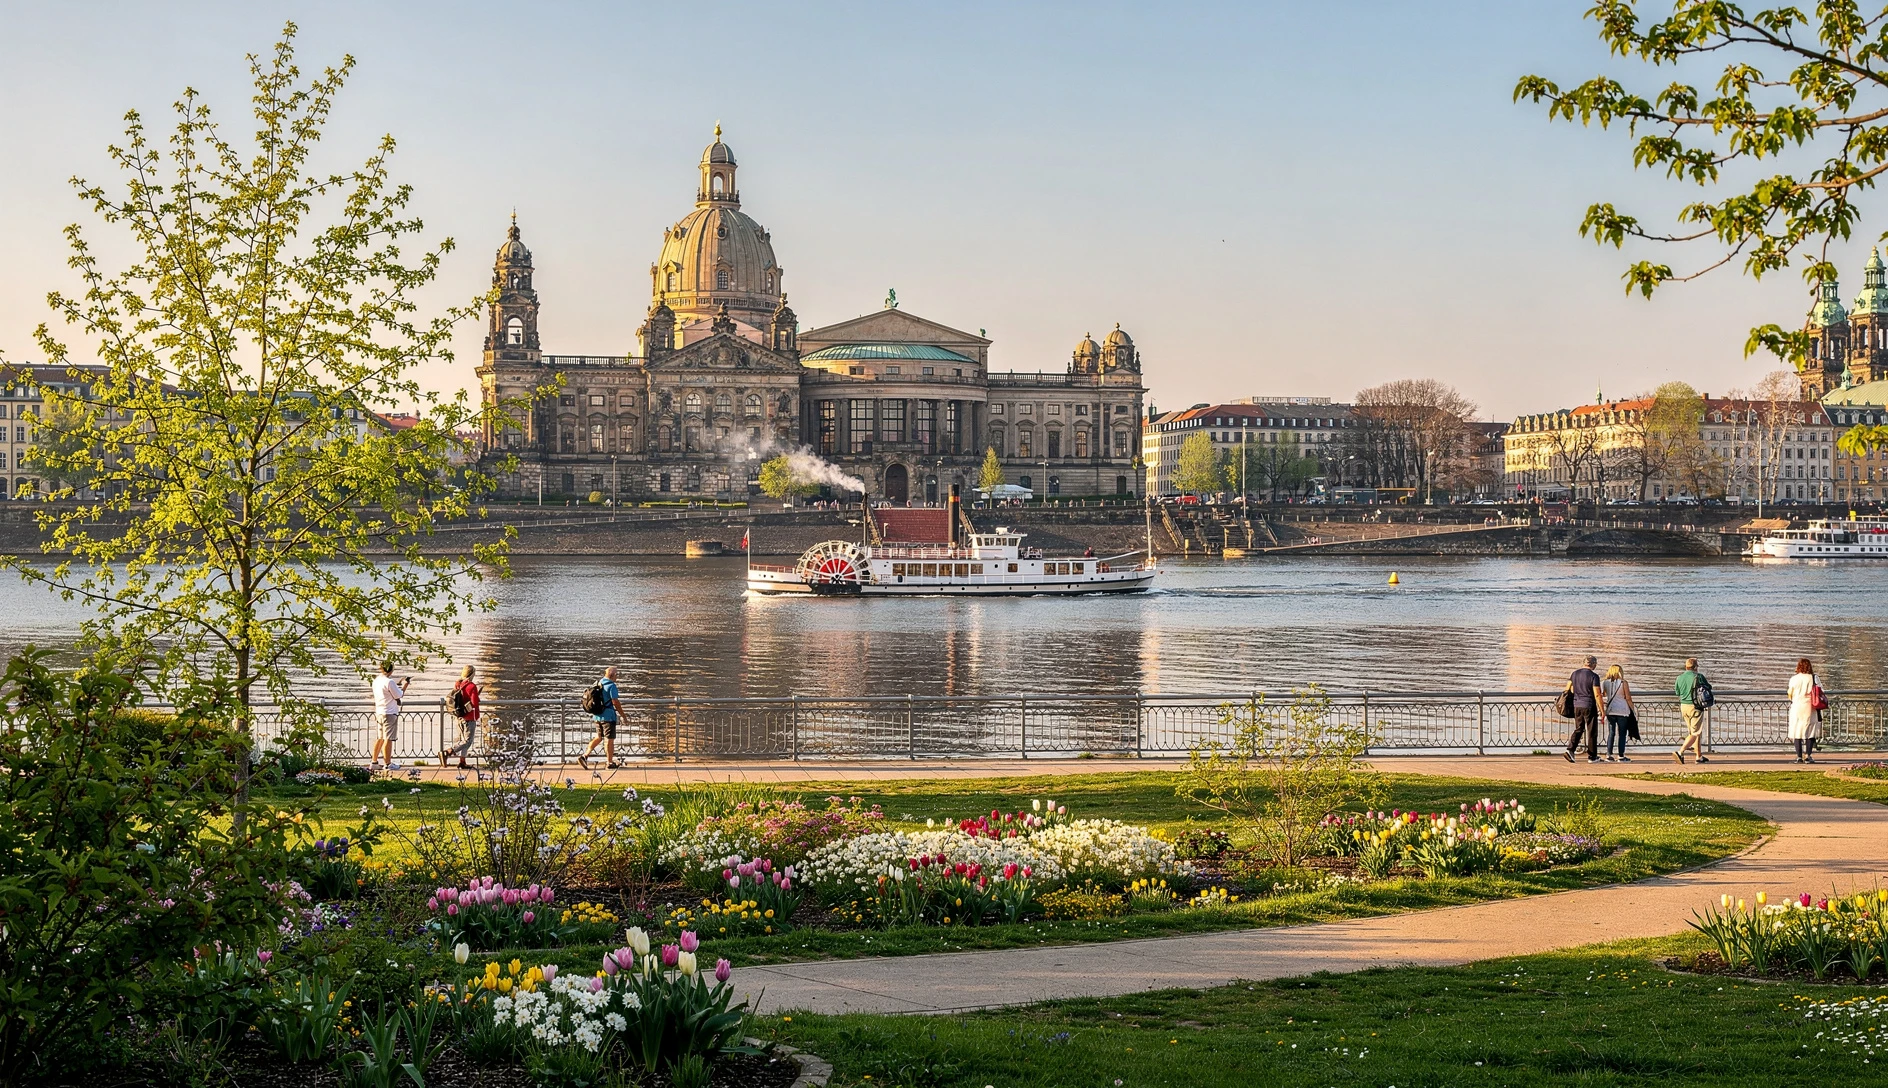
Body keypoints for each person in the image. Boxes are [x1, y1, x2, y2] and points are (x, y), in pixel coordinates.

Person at [578, 665, 623, 770]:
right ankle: (609, 762)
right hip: (608, 716)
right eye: (617, 674)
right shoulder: (611, 686)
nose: (618, 676)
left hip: (597, 716)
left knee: (599, 737)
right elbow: (615, 702)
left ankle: (585, 755)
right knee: (609, 739)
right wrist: (623, 715)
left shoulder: (598, 683)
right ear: (613, 675)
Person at [1563, 655, 1604, 763]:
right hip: (1589, 705)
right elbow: (1597, 695)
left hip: (1577, 705)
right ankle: (1592, 756)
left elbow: (1569, 689)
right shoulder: (1594, 676)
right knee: (1592, 731)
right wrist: (1602, 711)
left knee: (1579, 728)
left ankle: (1570, 749)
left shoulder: (1574, 674)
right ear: (1594, 664)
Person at [370, 662, 409, 770]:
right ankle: (388, 764)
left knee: (380, 737)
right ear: (391, 670)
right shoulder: (389, 682)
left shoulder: (377, 680)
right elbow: (399, 694)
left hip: (379, 711)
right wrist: (405, 684)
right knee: (388, 738)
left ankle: (374, 762)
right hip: (390, 712)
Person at [442, 665, 480, 769]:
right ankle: (448, 752)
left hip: (459, 716)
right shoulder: (472, 686)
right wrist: (478, 697)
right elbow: (474, 703)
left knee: (463, 740)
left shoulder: (458, 684)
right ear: (472, 674)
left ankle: (462, 762)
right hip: (469, 717)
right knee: (467, 741)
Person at [1674, 657, 1710, 764]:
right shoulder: (1699, 677)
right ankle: (1680, 752)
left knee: (1694, 732)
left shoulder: (1679, 677)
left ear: (1686, 667)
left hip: (1683, 706)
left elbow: (1677, 692)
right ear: (1695, 667)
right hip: (1695, 707)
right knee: (1695, 733)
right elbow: (1708, 687)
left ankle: (1699, 756)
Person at [1787, 657, 1823, 763]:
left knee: (1797, 731)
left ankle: (1799, 757)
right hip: (1810, 707)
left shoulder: (1794, 679)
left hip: (1797, 707)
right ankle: (1808, 756)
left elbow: (1790, 694)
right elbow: (1821, 691)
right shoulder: (1814, 678)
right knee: (1810, 731)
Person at [1601, 664, 1635, 762]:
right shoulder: (1623, 683)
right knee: (1622, 733)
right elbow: (1628, 697)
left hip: (1610, 710)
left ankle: (1609, 754)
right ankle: (1621, 755)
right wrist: (1632, 709)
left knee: (1611, 732)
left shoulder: (1605, 682)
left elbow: (1602, 694)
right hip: (1622, 710)